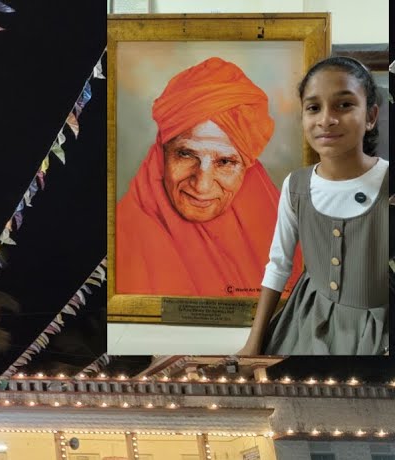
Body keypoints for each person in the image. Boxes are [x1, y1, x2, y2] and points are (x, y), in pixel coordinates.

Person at [240, 56, 388, 355]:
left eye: (344, 105)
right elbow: (278, 265)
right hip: (305, 325)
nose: (326, 119)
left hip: (375, 333)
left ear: (371, 116)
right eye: (313, 108)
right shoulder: (296, 185)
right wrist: (252, 345)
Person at [116, 57, 298, 297]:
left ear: (247, 165)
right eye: (185, 154)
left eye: (225, 162)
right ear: (162, 153)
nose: (201, 186)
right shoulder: (122, 238)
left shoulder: (276, 227)